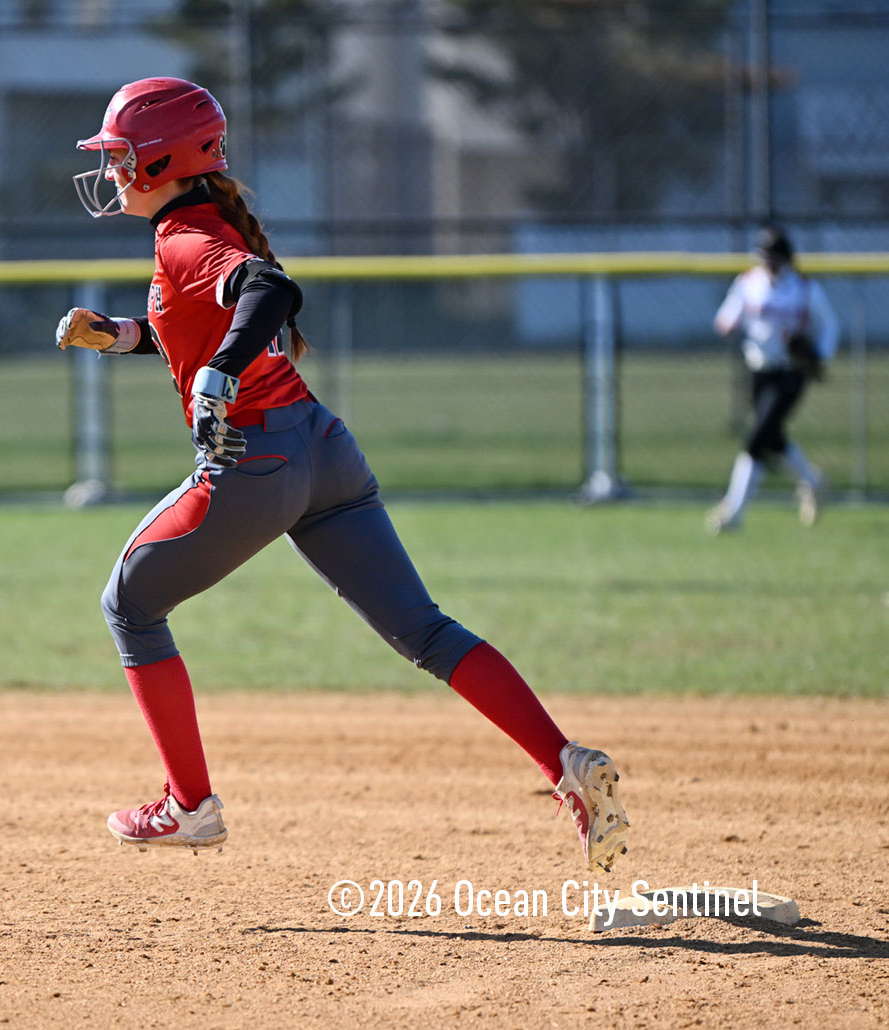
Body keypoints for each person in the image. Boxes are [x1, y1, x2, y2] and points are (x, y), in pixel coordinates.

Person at [56, 77, 629, 871]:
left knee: (129, 604)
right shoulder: (203, 225)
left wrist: (220, 371)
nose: (111, 170)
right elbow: (200, 320)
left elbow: (270, 291)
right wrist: (123, 336)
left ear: (161, 162)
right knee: (425, 631)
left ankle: (189, 806)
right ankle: (564, 764)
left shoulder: (185, 236)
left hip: (257, 463)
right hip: (322, 448)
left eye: (121, 155)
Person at [707, 226, 839, 534]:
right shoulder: (748, 282)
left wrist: (819, 355)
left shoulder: (804, 288)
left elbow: (830, 326)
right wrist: (728, 324)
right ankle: (814, 483)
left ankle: (733, 512)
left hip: (791, 372)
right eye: (765, 256)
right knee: (773, 439)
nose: (769, 263)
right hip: (759, 370)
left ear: (786, 258)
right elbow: (726, 317)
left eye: (774, 257)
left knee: (756, 439)